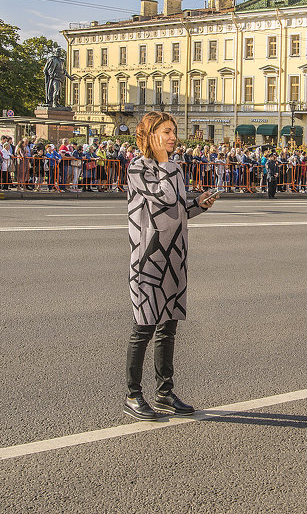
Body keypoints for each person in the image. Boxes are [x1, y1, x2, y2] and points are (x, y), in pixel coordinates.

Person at [123, 111, 216, 421]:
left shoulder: (173, 169)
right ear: (150, 136)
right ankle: (133, 395)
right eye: (166, 132)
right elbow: (161, 199)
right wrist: (164, 163)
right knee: (144, 329)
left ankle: (164, 392)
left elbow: (175, 211)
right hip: (149, 259)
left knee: (168, 327)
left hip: (174, 257)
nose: (173, 136)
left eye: (174, 131)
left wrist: (197, 204)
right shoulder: (139, 168)